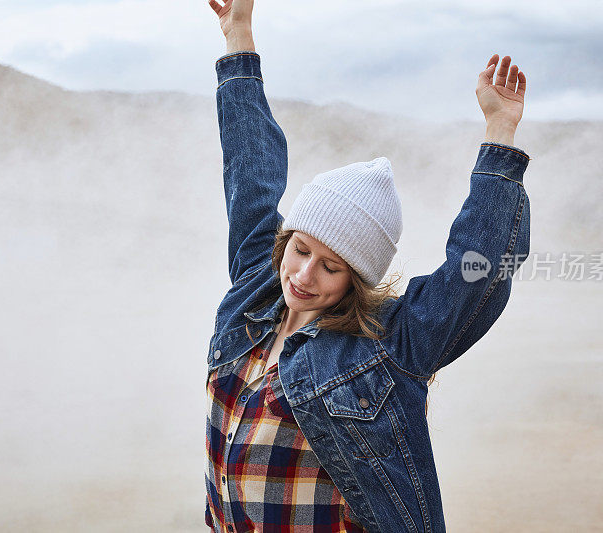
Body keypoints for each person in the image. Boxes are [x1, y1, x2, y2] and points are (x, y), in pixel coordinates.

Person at [204, 1, 531, 531]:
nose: (304, 276)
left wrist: (500, 131)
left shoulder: (388, 345)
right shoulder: (254, 294)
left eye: (332, 268)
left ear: (358, 279)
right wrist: (238, 37)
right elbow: (249, 169)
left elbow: (482, 270)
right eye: (301, 250)